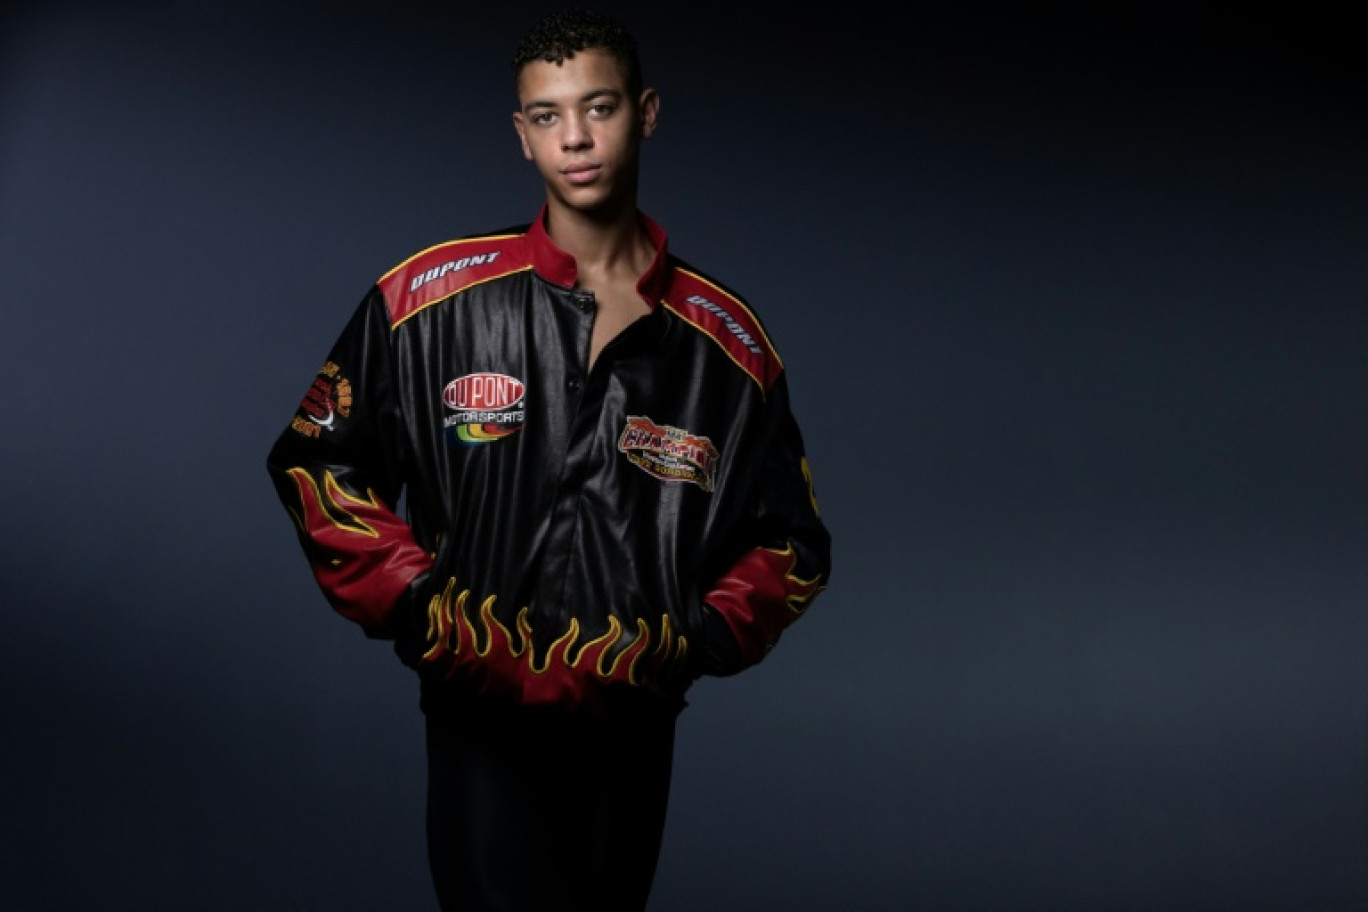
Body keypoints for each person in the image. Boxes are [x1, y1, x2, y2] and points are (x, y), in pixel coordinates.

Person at [265, 7, 831, 910]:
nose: (574, 137)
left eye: (598, 107)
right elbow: (314, 462)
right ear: (522, 135)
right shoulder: (429, 301)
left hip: (630, 733)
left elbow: (793, 544)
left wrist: (691, 639)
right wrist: (424, 609)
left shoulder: (727, 346)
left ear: (645, 113)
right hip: (476, 721)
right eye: (546, 115)